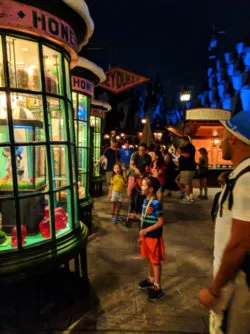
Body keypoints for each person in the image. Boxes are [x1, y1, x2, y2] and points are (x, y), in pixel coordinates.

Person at [199, 111, 250, 334]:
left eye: (222, 136)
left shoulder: (247, 180)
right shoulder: (240, 177)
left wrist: (215, 288)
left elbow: (239, 244)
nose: (219, 144)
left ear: (234, 138)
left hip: (236, 284)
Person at [128, 176, 165, 300]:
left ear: (151, 189)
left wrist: (145, 230)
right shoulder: (145, 200)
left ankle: (157, 287)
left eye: (144, 185)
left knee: (155, 261)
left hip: (153, 237)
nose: (141, 187)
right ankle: (150, 279)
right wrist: (136, 216)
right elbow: (147, 217)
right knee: (150, 259)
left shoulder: (155, 203)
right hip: (146, 236)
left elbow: (160, 222)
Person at [175, 136, 196, 204]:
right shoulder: (186, 147)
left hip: (187, 168)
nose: (181, 142)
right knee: (188, 183)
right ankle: (190, 197)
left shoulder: (190, 147)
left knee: (186, 184)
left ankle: (187, 198)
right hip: (186, 168)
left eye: (182, 141)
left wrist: (180, 153)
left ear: (185, 140)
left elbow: (187, 155)